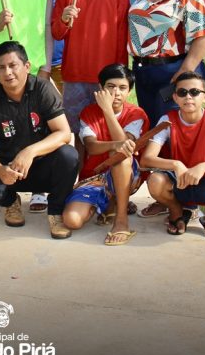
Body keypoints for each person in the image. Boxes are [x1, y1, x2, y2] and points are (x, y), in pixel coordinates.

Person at [127, 0, 205, 218]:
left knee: (180, 136)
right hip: (145, 72)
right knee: (158, 135)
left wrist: (185, 73)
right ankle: (166, 194)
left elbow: (204, 34)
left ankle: (188, 200)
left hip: (176, 71)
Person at [0, 42, 79, 239]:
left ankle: (56, 212)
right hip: (10, 170)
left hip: (43, 166)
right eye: (1, 67)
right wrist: (0, 170)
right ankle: (11, 202)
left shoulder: (42, 89)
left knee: (69, 156)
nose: (7, 72)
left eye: (13, 65)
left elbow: (64, 133)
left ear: (27, 66)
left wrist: (30, 151)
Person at [51, 0, 130, 158]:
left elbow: (121, 38)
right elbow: (57, 33)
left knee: (106, 130)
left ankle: (105, 177)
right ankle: (82, 177)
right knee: (78, 132)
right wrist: (64, 18)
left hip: (105, 78)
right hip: (75, 75)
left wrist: (119, 78)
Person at [140, 72, 205, 238]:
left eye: (194, 92)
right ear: (175, 98)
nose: (188, 97)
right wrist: (176, 165)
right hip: (179, 181)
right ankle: (176, 211)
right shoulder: (167, 119)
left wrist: (203, 167)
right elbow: (147, 159)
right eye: (182, 92)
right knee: (155, 181)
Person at [61, 64, 147, 245]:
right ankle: (106, 204)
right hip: (94, 177)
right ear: (101, 88)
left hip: (127, 174)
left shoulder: (136, 114)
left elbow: (125, 147)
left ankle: (121, 220)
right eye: (110, 86)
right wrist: (116, 143)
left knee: (119, 155)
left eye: (122, 88)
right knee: (72, 220)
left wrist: (107, 111)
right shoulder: (88, 113)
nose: (116, 93)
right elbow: (91, 147)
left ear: (129, 91)